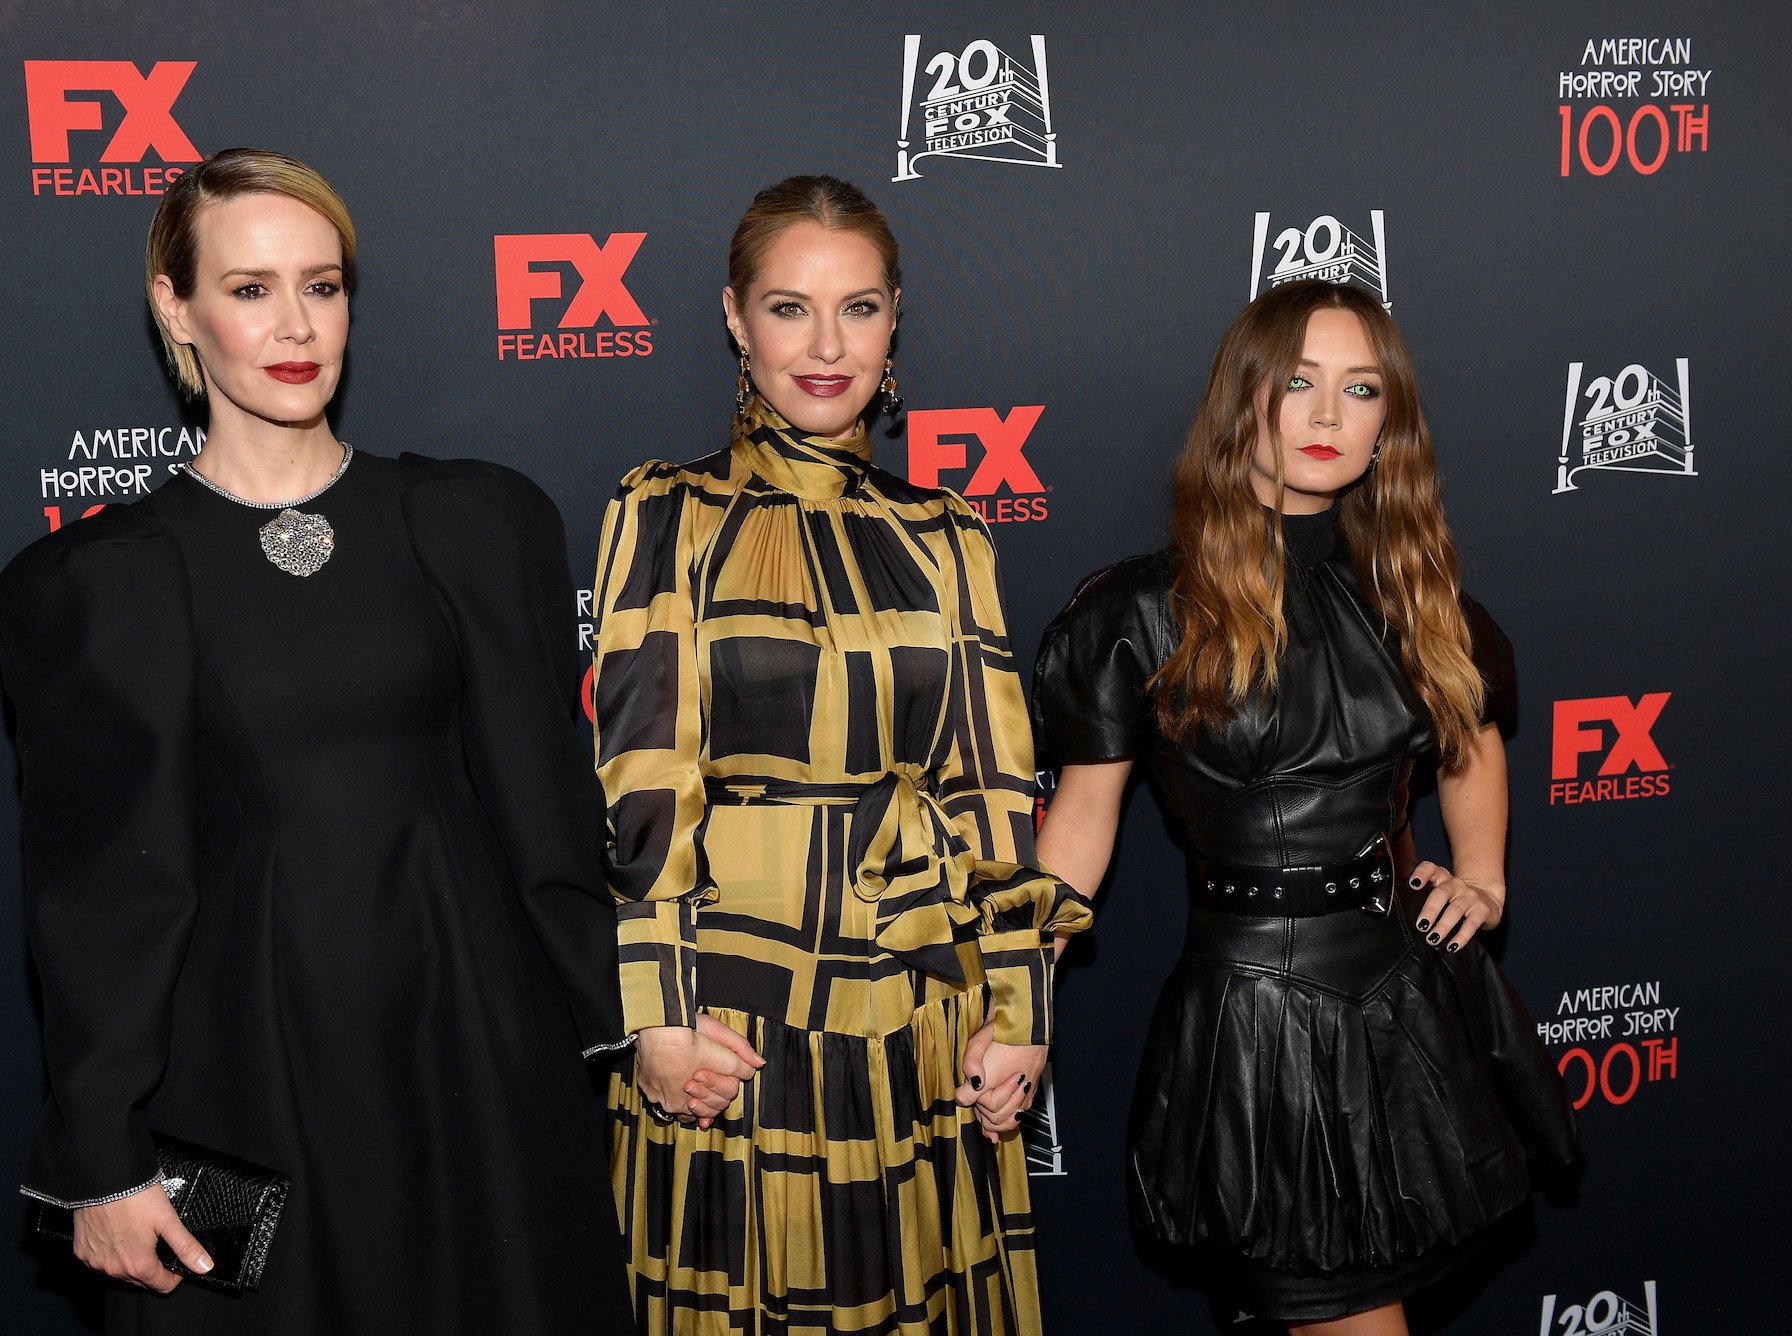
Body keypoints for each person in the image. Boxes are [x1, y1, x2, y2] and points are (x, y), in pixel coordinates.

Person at [0, 148, 631, 1335]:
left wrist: (636, 1016)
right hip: (239, 1076)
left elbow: (548, 813)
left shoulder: (474, 520)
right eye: (248, 289)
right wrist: (101, 1151)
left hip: (475, 1051)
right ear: (175, 309)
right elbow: (99, 897)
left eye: (322, 285)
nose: (294, 324)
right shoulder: (102, 581)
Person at [591, 175, 1092, 1335]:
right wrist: (657, 1015)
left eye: (858, 308)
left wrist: (1016, 1004)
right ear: (733, 317)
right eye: (788, 308)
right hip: (739, 1021)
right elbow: (645, 776)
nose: (825, 346)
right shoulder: (666, 513)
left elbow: (988, 784)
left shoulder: (949, 532)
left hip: (922, 1005)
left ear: (894, 320)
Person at [1031, 279, 1577, 1334]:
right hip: (1251, 1023)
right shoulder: (1138, 610)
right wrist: (1015, 994)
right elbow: (1081, 823)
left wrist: (1483, 873)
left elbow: (1470, 739)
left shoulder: (1415, 594)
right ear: (1243, 403)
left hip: (1400, 1006)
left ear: (1388, 427)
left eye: (1359, 390)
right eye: (1297, 384)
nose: (1327, 417)